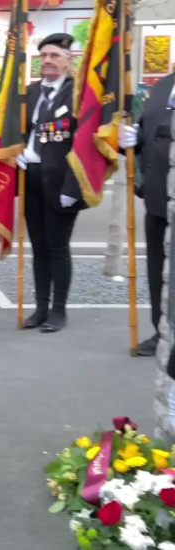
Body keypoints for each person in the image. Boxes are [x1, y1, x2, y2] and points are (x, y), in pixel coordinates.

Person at [16, 33, 87, 333]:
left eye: (55, 56)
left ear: (69, 61)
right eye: (44, 55)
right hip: (31, 178)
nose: (48, 61)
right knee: (39, 248)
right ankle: (41, 308)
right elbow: (22, 131)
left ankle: (58, 310)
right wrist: (19, 151)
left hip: (61, 184)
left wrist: (73, 189)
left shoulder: (78, 95)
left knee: (57, 248)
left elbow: (82, 146)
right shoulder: (31, 92)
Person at [119, 72, 175, 356]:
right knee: (157, 271)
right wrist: (130, 139)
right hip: (157, 199)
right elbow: (147, 134)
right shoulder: (163, 85)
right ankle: (161, 331)